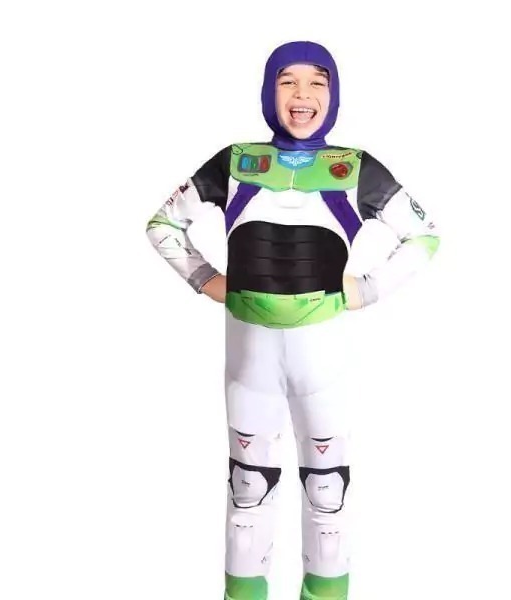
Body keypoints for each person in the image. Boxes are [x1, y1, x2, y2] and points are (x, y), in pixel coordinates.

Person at [146, 40, 440, 600]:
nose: (302, 95)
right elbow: (162, 224)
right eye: (287, 81)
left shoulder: (354, 168)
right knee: (247, 492)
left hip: (322, 365)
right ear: (268, 91)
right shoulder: (236, 161)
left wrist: (368, 289)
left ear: (334, 94)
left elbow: (424, 235)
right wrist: (205, 279)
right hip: (249, 366)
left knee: (328, 495)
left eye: (316, 83)